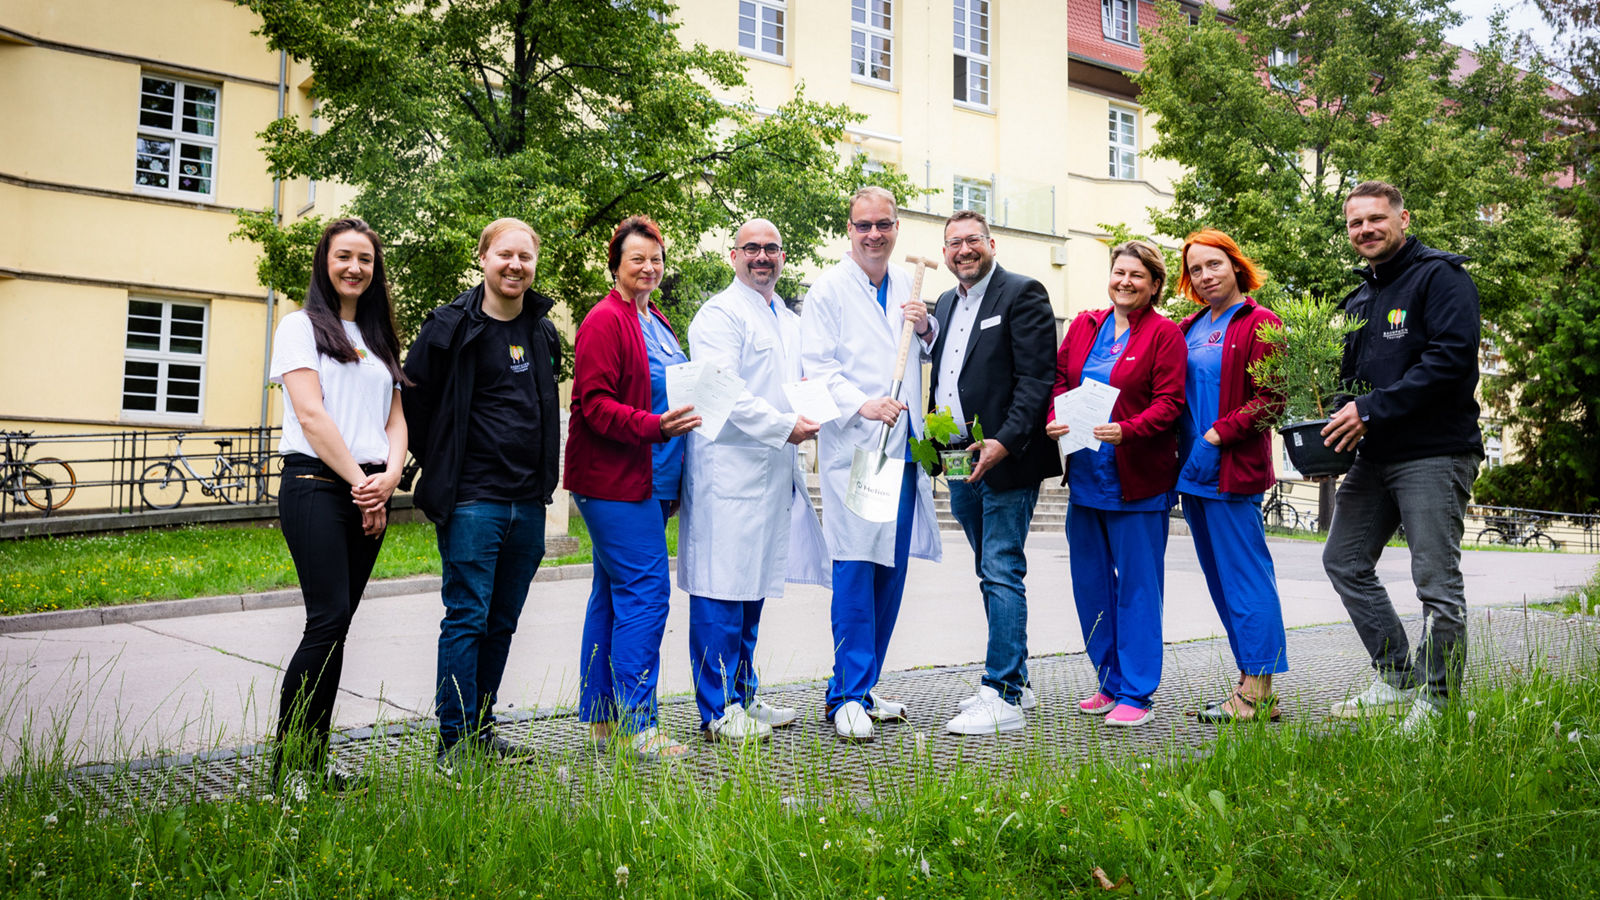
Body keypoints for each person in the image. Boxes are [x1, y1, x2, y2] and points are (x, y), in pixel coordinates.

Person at [1321, 180, 1483, 732]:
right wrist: (1338, 413)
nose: (1364, 229)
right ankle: (1396, 677)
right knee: (1343, 560)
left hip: (1435, 452)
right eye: (1354, 223)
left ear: (1402, 219)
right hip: (1375, 454)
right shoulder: (1361, 296)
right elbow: (1354, 381)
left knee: (1436, 583)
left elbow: (1451, 360)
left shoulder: (1441, 277)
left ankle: (1438, 702)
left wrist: (1370, 407)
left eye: (1375, 219)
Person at [402, 218, 561, 770]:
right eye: (504, 255)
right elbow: (412, 404)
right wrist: (441, 462)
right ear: (483, 259)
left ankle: (481, 728)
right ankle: (453, 743)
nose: (515, 265)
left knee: (501, 621)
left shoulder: (542, 332)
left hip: (528, 501)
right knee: (467, 616)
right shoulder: (449, 327)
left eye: (526, 257)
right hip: (472, 500)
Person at [270, 217, 409, 789]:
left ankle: (315, 762)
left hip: (370, 490)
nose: (355, 267)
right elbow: (311, 414)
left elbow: (397, 420)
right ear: (325, 263)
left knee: (338, 628)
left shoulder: (378, 340)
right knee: (325, 622)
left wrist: (390, 477)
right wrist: (361, 481)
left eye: (366, 260)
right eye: (344, 256)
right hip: (317, 487)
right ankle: (287, 769)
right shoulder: (299, 327)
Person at [800, 185, 942, 742]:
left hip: (903, 451)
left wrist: (926, 325)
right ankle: (847, 695)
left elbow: (929, 350)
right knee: (857, 568)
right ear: (850, 230)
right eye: (864, 226)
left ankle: (862, 681)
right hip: (860, 448)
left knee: (891, 571)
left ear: (897, 227)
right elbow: (816, 366)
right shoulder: (829, 290)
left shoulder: (911, 283)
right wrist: (862, 403)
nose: (874, 234)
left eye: (884, 224)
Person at [678, 219, 829, 742]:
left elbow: (797, 384)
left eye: (771, 249)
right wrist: (787, 425)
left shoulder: (786, 318)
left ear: (783, 257)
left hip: (772, 476)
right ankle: (718, 710)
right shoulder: (719, 315)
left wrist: (812, 409)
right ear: (734, 255)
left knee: (752, 591)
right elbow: (725, 394)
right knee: (721, 588)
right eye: (752, 249)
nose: (762, 257)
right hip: (730, 476)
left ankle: (744, 693)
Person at [566, 215, 701, 760]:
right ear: (615, 264)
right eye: (637, 259)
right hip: (614, 483)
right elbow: (594, 405)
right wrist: (655, 426)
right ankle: (639, 725)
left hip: (652, 480)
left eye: (656, 259)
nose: (649, 267)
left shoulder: (657, 320)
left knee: (612, 597)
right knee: (647, 595)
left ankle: (603, 721)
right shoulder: (605, 320)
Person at [925, 210, 1061, 736]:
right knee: (988, 569)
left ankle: (1000, 693)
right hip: (959, 460)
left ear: (992, 243)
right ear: (944, 252)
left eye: (973, 240)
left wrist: (1004, 442)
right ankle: (1017, 682)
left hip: (1006, 458)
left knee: (1002, 568)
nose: (964, 249)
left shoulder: (1022, 293)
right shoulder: (944, 302)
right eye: (954, 242)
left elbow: (1036, 379)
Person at [1045, 240, 1185, 728]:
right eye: (1119, 272)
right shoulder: (1085, 326)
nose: (1125, 282)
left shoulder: (1165, 335)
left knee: (1139, 590)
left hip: (1138, 483)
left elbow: (1170, 403)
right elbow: (1059, 382)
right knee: (1091, 586)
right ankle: (1108, 681)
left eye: (1137, 276)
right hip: (1086, 476)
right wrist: (1054, 419)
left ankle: (1138, 691)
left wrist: (1130, 429)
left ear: (1154, 285)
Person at [1173, 229, 1288, 724]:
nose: (1205, 276)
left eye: (1213, 264)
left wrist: (1218, 436)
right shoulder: (1189, 327)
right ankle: (1250, 682)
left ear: (1236, 265)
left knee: (1246, 579)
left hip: (1230, 469)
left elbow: (1272, 400)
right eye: (1196, 269)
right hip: (1191, 472)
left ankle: (1260, 688)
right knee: (1221, 582)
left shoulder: (1262, 322)